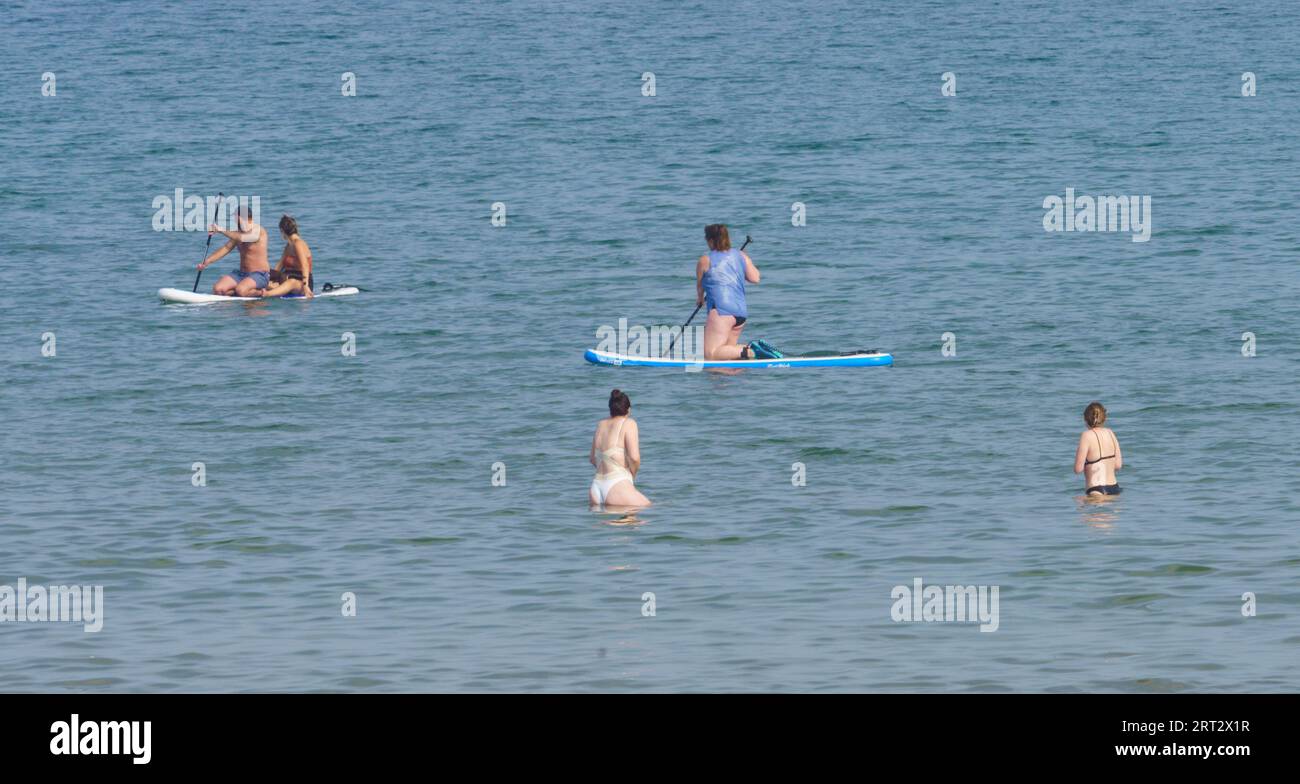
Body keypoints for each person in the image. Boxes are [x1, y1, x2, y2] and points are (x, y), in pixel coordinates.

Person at [696, 224, 760, 360]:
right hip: (741, 313)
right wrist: (744, 260)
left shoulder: (705, 260)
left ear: (711, 240)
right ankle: (742, 358)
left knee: (711, 355)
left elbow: (700, 288)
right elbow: (755, 278)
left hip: (721, 312)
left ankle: (751, 351)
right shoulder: (741, 255)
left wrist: (700, 299)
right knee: (725, 359)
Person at [589, 389, 651, 509]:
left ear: (610, 409)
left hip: (596, 487)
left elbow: (592, 459)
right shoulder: (629, 423)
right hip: (616, 484)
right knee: (650, 510)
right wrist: (632, 475)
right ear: (628, 410)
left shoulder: (601, 424)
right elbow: (634, 457)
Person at [198, 205, 270, 297]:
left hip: (259, 274)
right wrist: (207, 261)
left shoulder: (258, 230)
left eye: (235, 218)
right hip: (241, 274)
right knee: (218, 289)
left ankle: (263, 292)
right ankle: (242, 292)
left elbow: (243, 238)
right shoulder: (238, 232)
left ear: (240, 217)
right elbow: (226, 248)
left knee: (241, 290)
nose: (235, 221)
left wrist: (221, 230)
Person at [1073, 401, 1123, 495]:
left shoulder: (1086, 435)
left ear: (1085, 419)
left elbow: (1078, 469)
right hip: (1115, 488)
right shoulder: (1110, 433)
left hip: (1096, 490)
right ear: (1104, 418)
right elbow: (1118, 465)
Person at [261, 215, 314, 298]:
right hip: (287, 279)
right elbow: (279, 265)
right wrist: (269, 276)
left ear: (282, 231)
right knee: (263, 275)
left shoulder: (298, 243)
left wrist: (305, 286)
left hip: (302, 282)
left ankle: (267, 294)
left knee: (291, 282)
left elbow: (305, 266)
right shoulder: (288, 246)